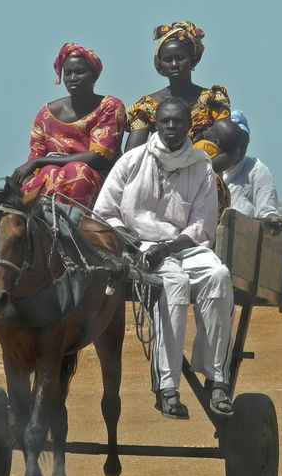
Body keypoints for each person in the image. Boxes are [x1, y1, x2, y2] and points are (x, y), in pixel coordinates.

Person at [93, 97, 234, 419]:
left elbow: (202, 225)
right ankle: (167, 387)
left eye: (178, 122)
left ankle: (217, 380)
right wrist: (130, 241)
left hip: (183, 246)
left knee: (219, 276)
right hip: (136, 245)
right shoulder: (133, 159)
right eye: (165, 121)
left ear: (188, 126)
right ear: (156, 124)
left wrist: (169, 248)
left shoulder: (201, 166)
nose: (171, 127)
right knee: (174, 282)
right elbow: (105, 211)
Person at [11, 42, 126, 209]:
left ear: (94, 76)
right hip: (52, 179)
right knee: (48, 171)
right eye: (68, 73)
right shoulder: (46, 114)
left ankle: (73, 223)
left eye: (80, 72)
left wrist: (41, 162)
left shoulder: (110, 106)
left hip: (98, 180)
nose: (73, 78)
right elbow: (36, 156)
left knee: (76, 169)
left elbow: (98, 157)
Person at [124, 21, 230, 153]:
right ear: (160, 64)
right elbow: (132, 154)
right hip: (161, 171)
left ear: (192, 59)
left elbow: (228, 143)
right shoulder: (146, 106)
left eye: (180, 58)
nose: (174, 64)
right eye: (167, 60)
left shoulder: (213, 99)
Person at [224, 110, 282, 233]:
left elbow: (267, 211)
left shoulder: (256, 170)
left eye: (243, 141)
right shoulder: (204, 167)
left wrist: (272, 222)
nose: (238, 146)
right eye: (233, 140)